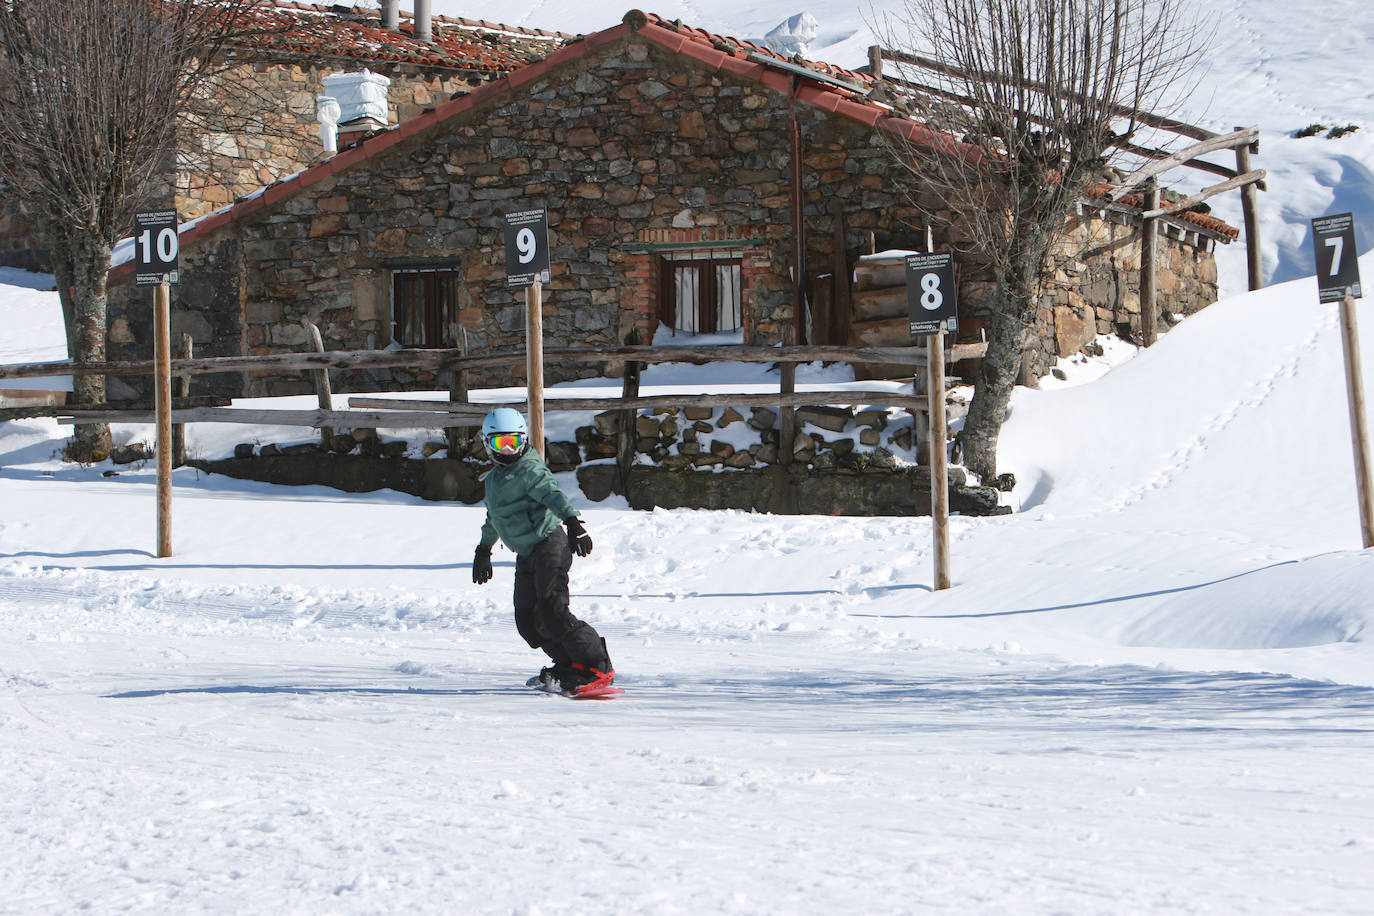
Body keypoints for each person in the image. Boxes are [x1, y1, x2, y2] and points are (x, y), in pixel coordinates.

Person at [471, 407, 614, 695]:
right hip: (527, 552)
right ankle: (568, 664)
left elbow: (551, 493)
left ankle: (596, 664)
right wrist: (484, 549)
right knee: (527, 621)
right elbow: (495, 516)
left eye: (514, 442)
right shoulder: (495, 480)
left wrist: (573, 522)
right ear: (489, 444)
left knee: (551, 610)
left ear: (523, 440)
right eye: (501, 443)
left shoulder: (529, 469)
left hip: (549, 543)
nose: (509, 450)